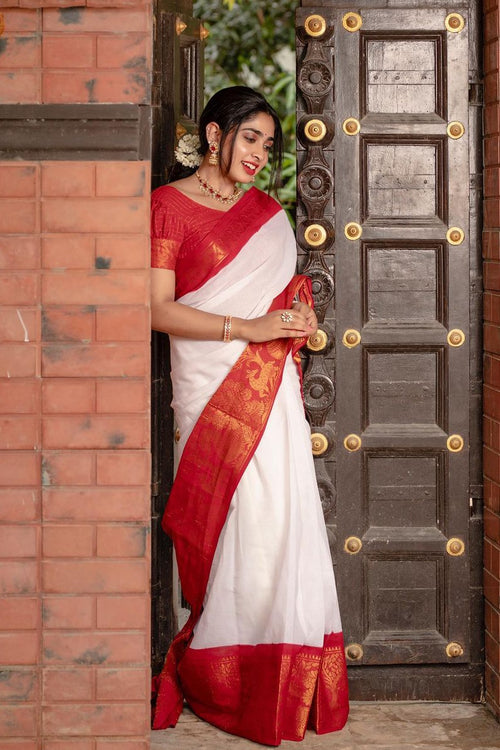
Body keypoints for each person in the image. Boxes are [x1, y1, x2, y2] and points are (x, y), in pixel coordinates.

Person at [150, 86, 349, 746]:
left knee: (277, 518)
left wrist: (296, 314)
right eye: (251, 138)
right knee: (232, 518)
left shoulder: (268, 213)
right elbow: (157, 309)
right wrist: (250, 325)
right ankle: (225, 670)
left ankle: (282, 665)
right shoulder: (167, 208)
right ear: (215, 135)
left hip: (269, 389)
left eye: (269, 143)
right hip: (209, 387)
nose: (261, 154)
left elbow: (282, 295)